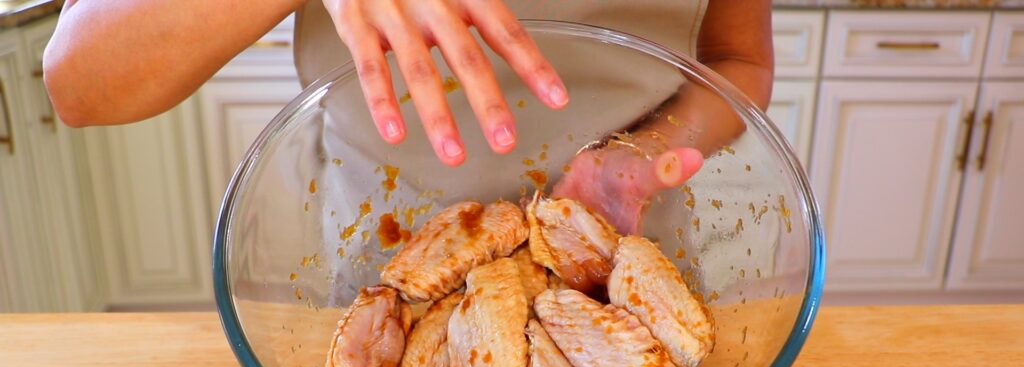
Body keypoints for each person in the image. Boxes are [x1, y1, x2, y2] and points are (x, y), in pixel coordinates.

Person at [43, 0, 772, 232]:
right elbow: (81, 79)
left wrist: (642, 158)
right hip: (379, 276)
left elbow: (739, 61)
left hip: (632, 266)